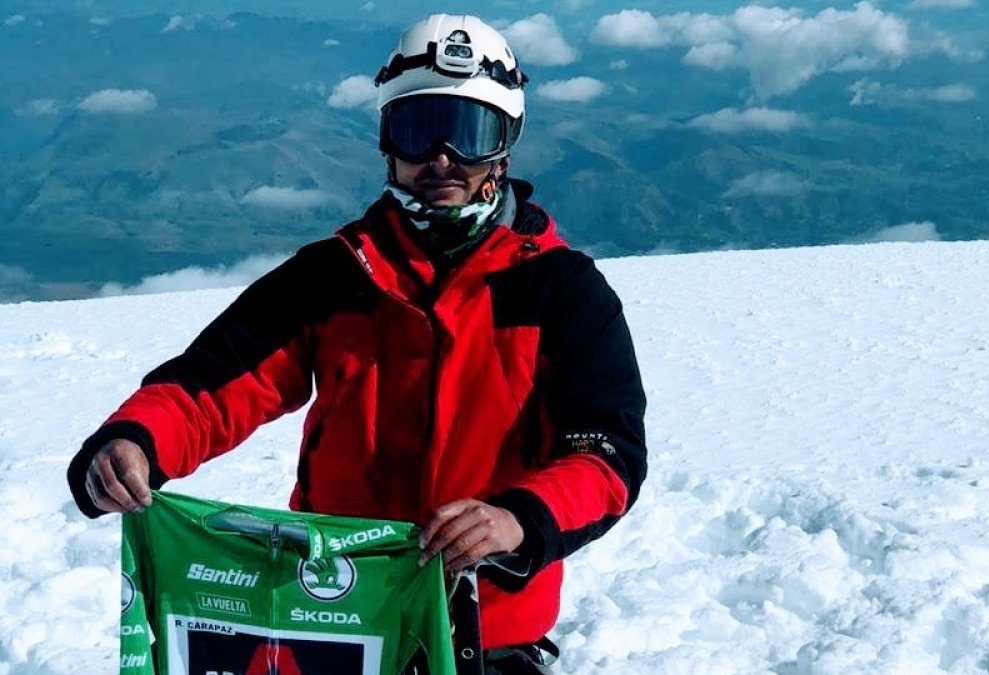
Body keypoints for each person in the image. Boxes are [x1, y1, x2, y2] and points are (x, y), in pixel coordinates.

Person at [66, 13, 647, 674]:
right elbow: (217, 381)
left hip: (487, 635)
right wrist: (135, 441)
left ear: (504, 146)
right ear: (386, 140)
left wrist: (517, 519)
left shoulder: (560, 291)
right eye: (417, 128)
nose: (441, 158)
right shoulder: (336, 274)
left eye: (469, 131)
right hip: (333, 617)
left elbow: (606, 454)